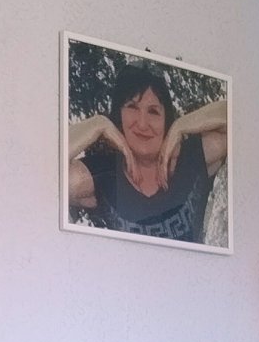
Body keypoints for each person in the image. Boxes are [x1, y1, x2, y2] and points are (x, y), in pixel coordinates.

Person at [67, 64, 227, 244]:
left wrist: (180, 127)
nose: (143, 124)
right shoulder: (103, 173)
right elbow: (48, 166)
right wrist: (98, 124)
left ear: (166, 119)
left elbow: (236, 118)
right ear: (119, 116)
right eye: (132, 107)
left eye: (153, 111)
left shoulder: (188, 158)